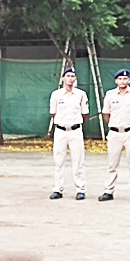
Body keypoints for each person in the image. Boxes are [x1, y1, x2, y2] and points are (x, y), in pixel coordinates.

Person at [100, 68, 130, 202]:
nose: (122, 81)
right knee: (112, 163)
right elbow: (106, 114)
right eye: (120, 79)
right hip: (114, 133)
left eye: (125, 79)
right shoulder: (110, 94)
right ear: (116, 81)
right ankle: (108, 191)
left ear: (129, 80)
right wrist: (114, 125)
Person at [48, 66, 88, 200]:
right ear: (63, 78)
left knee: (78, 161)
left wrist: (74, 123)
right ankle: (58, 189)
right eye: (68, 76)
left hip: (75, 130)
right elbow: (53, 113)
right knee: (59, 161)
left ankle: (80, 189)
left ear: (75, 78)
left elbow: (84, 113)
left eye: (72, 76)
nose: (70, 79)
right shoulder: (56, 95)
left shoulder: (81, 94)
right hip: (60, 130)